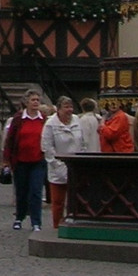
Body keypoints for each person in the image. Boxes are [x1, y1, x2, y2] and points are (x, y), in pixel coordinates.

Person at [2, 89, 46, 231]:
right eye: (33, 100)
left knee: (36, 191)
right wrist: (7, 160)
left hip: (38, 160)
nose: (35, 103)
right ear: (26, 102)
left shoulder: (43, 119)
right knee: (21, 191)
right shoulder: (19, 119)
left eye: (37, 100)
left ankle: (36, 221)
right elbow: (10, 140)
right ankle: (19, 217)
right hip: (20, 161)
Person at [41, 96, 85, 227]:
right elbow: (47, 147)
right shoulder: (50, 124)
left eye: (71, 107)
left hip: (75, 166)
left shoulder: (77, 120)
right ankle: (57, 226)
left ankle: (75, 225)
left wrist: (80, 159)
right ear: (58, 109)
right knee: (58, 201)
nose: (69, 110)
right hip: (58, 167)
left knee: (76, 200)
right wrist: (58, 164)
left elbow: (82, 143)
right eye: (66, 107)